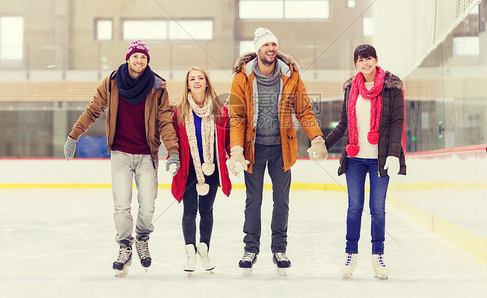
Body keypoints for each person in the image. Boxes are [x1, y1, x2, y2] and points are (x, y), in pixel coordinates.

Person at [63, 40, 180, 277]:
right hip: (120, 153)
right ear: (128, 58)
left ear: (147, 61)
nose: (139, 61)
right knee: (122, 205)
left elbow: (165, 121)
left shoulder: (157, 86)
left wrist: (173, 150)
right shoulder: (112, 82)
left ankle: (142, 238)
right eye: (135, 56)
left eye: (143, 58)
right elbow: (93, 109)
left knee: (147, 205)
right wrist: (74, 135)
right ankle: (125, 246)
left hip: (147, 154)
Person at [228, 27, 328, 274]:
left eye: (273, 45)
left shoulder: (290, 75)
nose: (270, 49)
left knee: (281, 201)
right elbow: (237, 116)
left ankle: (279, 249)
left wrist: (316, 138)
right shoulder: (242, 77)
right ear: (257, 49)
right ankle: (250, 249)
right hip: (254, 150)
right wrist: (237, 149)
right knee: (254, 201)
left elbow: (304, 110)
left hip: (281, 149)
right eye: (265, 45)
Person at [324, 44, 406, 279]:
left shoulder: (392, 87)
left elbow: (397, 122)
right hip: (355, 158)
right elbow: (343, 124)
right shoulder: (351, 88)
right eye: (360, 60)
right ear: (356, 64)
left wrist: (393, 154)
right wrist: (324, 145)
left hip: (380, 159)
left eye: (368, 58)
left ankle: (378, 256)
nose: (365, 63)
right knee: (354, 208)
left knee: (377, 209)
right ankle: (351, 254)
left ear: (376, 59)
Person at [170, 67, 232, 273]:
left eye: (201, 78)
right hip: (188, 170)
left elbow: (228, 140)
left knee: (206, 211)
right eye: (192, 79)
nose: (196, 81)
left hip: (211, 168)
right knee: (189, 212)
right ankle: (190, 254)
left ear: (207, 82)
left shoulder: (220, 110)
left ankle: (204, 250)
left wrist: (235, 157)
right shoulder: (178, 111)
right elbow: (173, 141)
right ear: (187, 84)